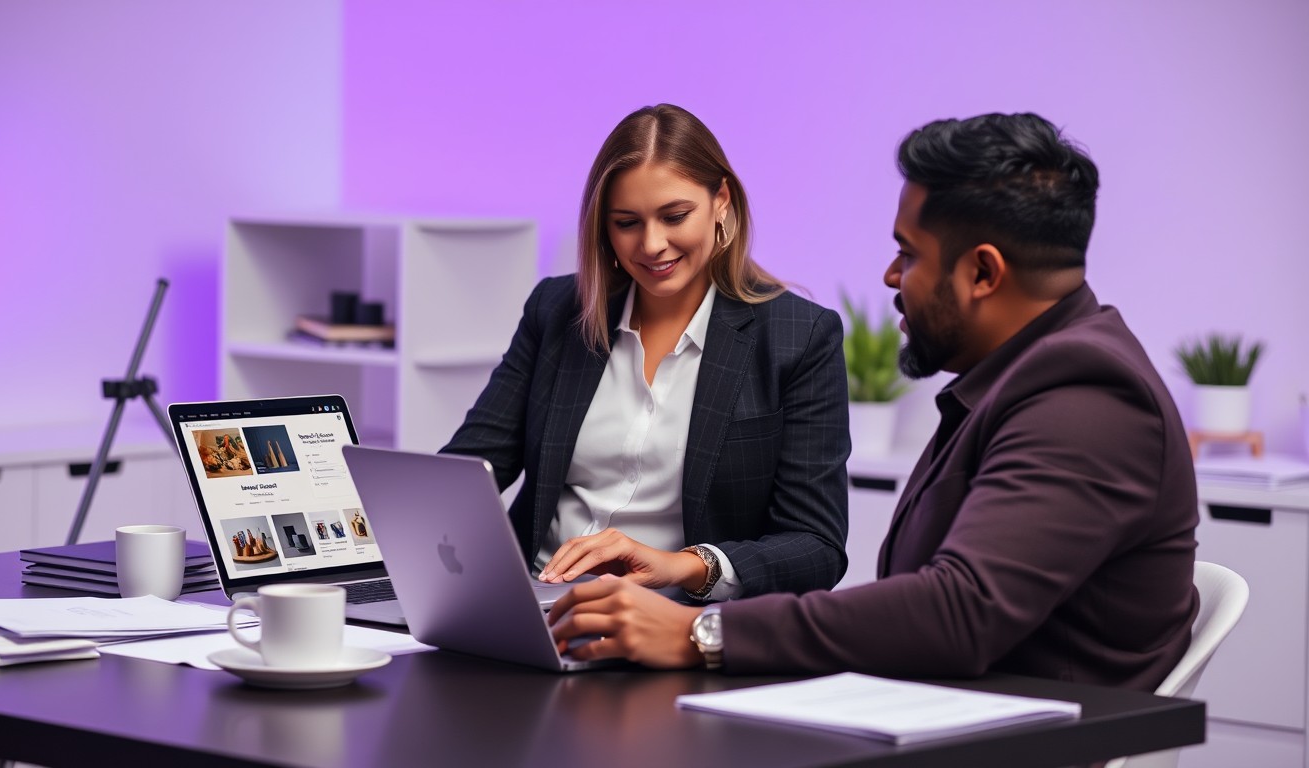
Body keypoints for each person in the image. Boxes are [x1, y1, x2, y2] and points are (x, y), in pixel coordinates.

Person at [548, 112, 1201, 692]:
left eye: (907, 254)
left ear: (982, 272)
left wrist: (701, 634)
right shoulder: (1020, 379)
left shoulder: (1086, 400)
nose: (891, 277)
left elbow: (959, 612)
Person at [441, 104, 850, 601]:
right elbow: (467, 472)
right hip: (534, 600)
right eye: (627, 222)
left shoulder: (799, 336)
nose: (652, 244)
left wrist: (683, 566)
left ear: (721, 200)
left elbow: (817, 546)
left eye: (674, 216)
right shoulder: (556, 311)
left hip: (671, 620)